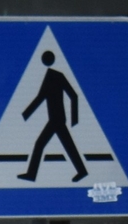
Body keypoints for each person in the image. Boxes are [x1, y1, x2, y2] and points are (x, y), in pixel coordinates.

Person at [19, 49, 87, 183]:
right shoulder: (51, 76)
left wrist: (75, 119)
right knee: (65, 145)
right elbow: (41, 97)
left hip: (57, 119)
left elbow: (73, 96)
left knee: (43, 144)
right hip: (56, 119)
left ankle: (32, 174)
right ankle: (81, 171)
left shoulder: (54, 76)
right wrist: (27, 113)